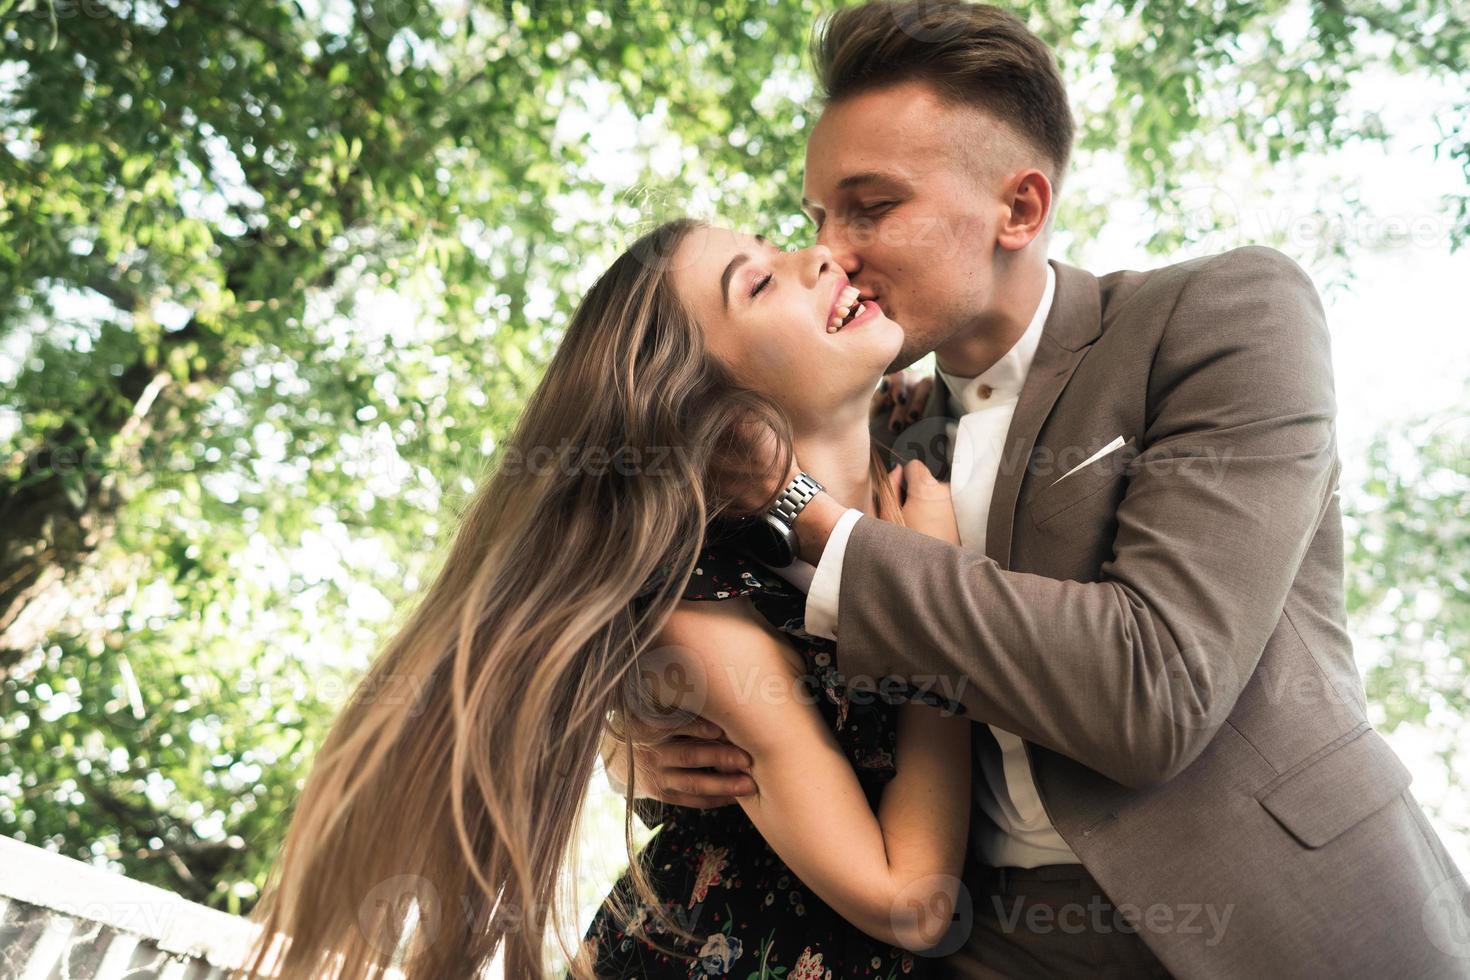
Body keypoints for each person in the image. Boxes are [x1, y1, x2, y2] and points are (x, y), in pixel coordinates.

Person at [619, 2, 1470, 978]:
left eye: (872, 207)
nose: (831, 253)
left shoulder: (1223, 315)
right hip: (990, 943)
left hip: (1290, 918)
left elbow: (1157, 688)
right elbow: (705, 622)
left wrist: (805, 509)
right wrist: (644, 738)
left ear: (1018, 210)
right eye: (818, 217)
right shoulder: (872, 430)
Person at [234, 218, 976, 980]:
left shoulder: (931, 458)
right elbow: (910, 901)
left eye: (775, 245)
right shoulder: (709, 616)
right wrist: (931, 597)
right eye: (757, 283)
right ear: (708, 408)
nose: (818, 254)